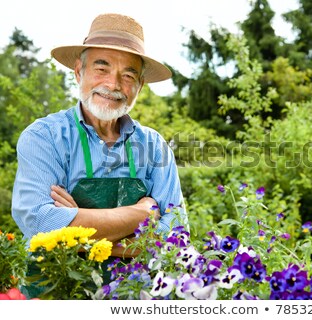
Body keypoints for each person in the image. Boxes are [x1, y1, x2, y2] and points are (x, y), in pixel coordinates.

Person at [11, 13, 187, 271]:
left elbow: (175, 237)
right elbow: (41, 223)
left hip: (133, 298)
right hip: (57, 295)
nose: (113, 84)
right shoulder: (44, 137)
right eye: (101, 69)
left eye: (128, 75)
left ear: (140, 85)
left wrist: (75, 227)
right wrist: (142, 214)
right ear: (79, 72)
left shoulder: (154, 146)